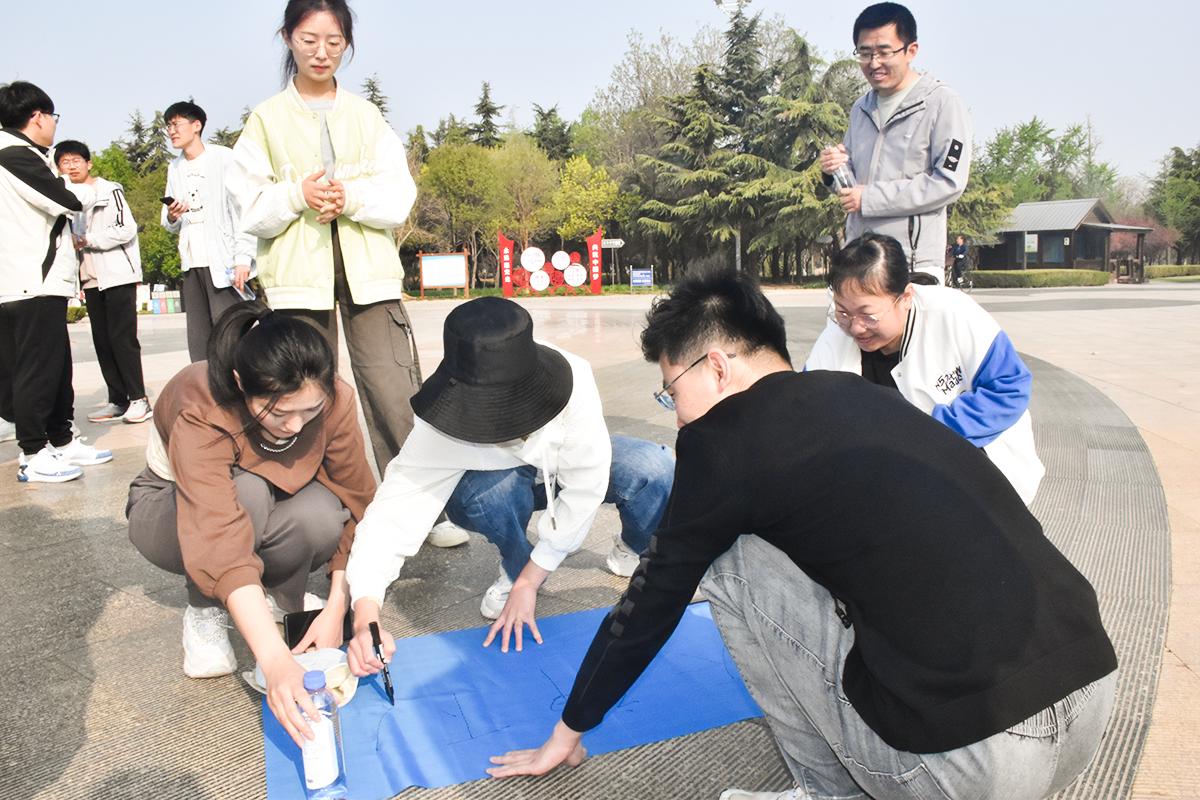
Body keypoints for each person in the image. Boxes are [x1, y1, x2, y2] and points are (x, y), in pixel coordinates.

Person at [487, 270, 1117, 800]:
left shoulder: (718, 440)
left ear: (717, 367)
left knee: (728, 562)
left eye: (670, 390)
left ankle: (823, 791)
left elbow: (653, 597)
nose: (675, 412)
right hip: (1091, 698)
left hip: (978, 766)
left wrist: (569, 729)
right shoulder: (860, 392)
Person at [343, 296, 675, 666]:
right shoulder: (441, 423)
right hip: (501, 483)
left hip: (561, 469)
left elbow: (586, 483)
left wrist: (534, 579)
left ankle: (630, 547)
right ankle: (515, 565)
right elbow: (394, 513)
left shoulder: (574, 378)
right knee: (488, 494)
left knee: (652, 466)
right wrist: (365, 612)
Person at [126, 303, 376, 747]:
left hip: (268, 505)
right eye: (278, 413)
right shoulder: (201, 401)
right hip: (169, 512)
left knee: (320, 514)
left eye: (310, 410)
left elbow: (359, 501)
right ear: (243, 384)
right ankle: (204, 607)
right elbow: (216, 531)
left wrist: (339, 605)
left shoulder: (334, 399)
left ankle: (279, 599)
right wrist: (276, 661)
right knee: (249, 492)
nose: (295, 425)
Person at [228, 0, 422, 482]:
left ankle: (418, 508)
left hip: (370, 277)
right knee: (301, 393)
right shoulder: (266, 120)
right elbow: (248, 206)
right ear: (287, 38)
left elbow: (399, 197)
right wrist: (298, 194)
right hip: (296, 282)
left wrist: (348, 198)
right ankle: (316, 499)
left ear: (347, 45)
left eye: (334, 42)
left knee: (394, 389)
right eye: (309, 40)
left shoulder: (366, 115)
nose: (321, 53)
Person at [805, 233, 1045, 504]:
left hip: (976, 468)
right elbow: (806, 407)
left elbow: (1009, 386)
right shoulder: (837, 335)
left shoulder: (953, 314)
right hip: (889, 481)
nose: (856, 327)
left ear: (906, 296)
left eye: (868, 315)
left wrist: (927, 435)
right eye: (843, 312)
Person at [0, 81, 111, 483]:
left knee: (55, 363)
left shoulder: (22, 154)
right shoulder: (14, 154)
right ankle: (33, 452)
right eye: (52, 117)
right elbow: (67, 199)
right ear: (38, 116)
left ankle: (62, 440)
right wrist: (85, 185)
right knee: (34, 368)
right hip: (31, 279)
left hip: (39, 280)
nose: (53, 126)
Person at [819, 3, 971, 284]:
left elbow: (949, 182)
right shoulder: (861, 108)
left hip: (913, 265)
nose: (874, 63)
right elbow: (852, 188)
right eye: (864, 53)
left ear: (911, 50)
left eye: (884, 52)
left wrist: (870, 198)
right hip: (860, 258)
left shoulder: (941, 103)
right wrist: (834, 171)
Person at [55, 140, 152, 424]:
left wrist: (89, 240)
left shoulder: (110, 190)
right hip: (89, 279)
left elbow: (126, 229)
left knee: (123, 338)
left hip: (117, 275)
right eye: (64, 162)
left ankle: (139, 399)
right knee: (103, 341)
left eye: (76, 160)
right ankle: (117, 400)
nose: (71, 166)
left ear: (89, 163)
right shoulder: (64, 197)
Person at [160, 100, 257, 363]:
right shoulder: (175, 167)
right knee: (199, 337)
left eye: (176, 124)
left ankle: (239, 392)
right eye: (168, 125)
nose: (171, 131)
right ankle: (206, 395)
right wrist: (172, 215)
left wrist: (242, 259)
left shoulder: (224, 158)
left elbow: (243, 211)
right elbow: (168, 223)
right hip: (192, 262)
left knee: (230, 333)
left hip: (223, 260)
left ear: (197, 125)